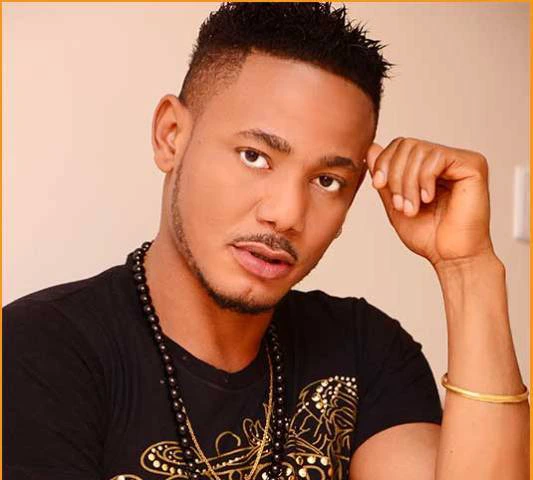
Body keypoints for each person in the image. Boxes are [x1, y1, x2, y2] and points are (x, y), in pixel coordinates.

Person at [4, 3, 529, 480]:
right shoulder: (38, 353)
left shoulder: (365, 351)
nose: (287, 214)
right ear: (171, 135)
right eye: (255, 156)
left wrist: (468, 267)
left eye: (327, 181)